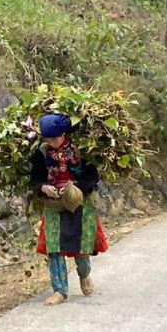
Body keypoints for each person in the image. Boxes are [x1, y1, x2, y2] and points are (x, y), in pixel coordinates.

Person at [31, 113, 108, 306]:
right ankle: (60, 291)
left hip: (80, 202)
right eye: (48, 139)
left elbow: (92, 177)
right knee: (54, 247)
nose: (52, 142)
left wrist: (76, 189)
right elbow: (35, 178)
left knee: (81, 244)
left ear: (64, 133)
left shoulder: (81, 149)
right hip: (53, 204)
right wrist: (43, 187)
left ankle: (84, 274)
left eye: (55, 138)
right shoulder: (40, 152)